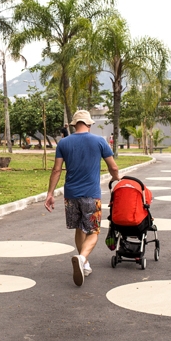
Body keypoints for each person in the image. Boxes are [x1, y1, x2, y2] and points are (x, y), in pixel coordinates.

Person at [45, 110, 119, 287]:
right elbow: (113, 167)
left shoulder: (64, 142)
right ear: (89, 124)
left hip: (71, 195)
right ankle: (82, 257)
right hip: (91, 194)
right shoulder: (99, 141)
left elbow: (56, 170)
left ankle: (84, 265)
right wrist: (117, 179)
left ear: (73, 124)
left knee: (79, 228)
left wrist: (50, 194)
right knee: (93, 231)